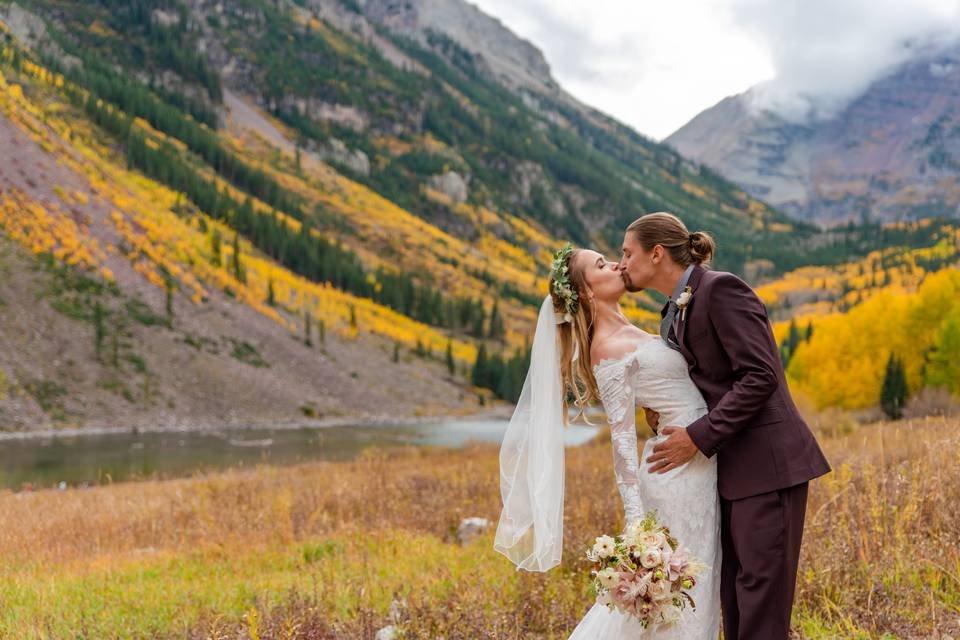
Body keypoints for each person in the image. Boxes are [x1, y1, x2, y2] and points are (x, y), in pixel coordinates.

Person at [619, 212, 831, 639]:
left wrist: (698, 437)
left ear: (656, 253)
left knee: (760, 601)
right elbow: (711, 378)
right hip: (730, 471)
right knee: (735, 599)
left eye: (627, 253)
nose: (622, 263)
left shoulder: (721, 290)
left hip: (768, 466)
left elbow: (760, 376)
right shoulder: (674, 310)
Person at [494, 239, 721, 638]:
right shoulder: (607, 350)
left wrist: (661, 414)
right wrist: (638, 532)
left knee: (697, 596)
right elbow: (621, 449)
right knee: (679, 603)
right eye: (602, 264)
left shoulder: (634, 329)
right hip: (674, 480)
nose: (617, 265)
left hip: (699, 462)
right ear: (585, 290)